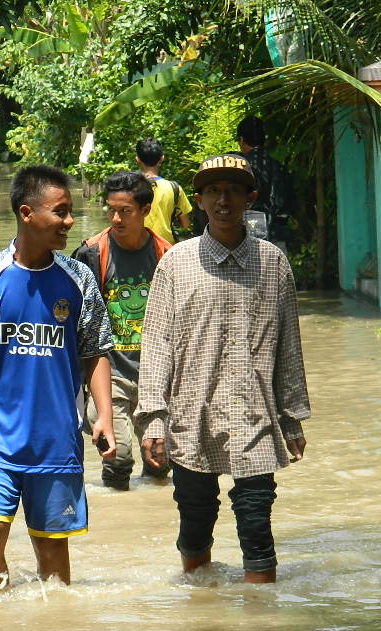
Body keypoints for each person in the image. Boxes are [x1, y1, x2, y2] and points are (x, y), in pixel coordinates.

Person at [0, 164, 116, 588]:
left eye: (70, 212)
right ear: (26, 213)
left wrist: (104, 416)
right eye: (61, 211)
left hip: (56, 440)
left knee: (52, 554)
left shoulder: (78, 279)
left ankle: (51, 629)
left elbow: (95, 352)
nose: (69, 222)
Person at [134, 154, 310, 584]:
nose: (223, 200)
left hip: (256, 413)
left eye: (233, 190)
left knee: (256, 520)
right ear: (198, 200)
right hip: (192, 413)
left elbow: (289, 345)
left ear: (250, 197)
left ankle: (261, 616)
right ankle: (200, 603)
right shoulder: (176, 262)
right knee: (196, 518)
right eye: (213, 191)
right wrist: (153, 419)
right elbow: (156, 345)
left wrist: (291, 418)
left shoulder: (273, 263)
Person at [71, 170, 172, 490]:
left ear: (145, 210)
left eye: (125, 211)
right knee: (119, 457)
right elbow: (74, 319)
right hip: (108, 373)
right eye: (111, 210)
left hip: (156, 376)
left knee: (160, 461)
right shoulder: (91, 253)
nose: (115, 219)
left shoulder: (167, 255)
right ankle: (115, 506)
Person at [236, 116, 292, 249]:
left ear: (242, 140)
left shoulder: (239, 168)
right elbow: (290, 203)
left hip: (247, 234)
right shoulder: (280, 167)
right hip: (278, 235)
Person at [135, 138, 192, 246]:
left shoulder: (130, 187)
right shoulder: (174, 188)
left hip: (137, 247)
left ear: (137, 160)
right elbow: (186, 225)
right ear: (162, 159)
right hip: (166, 248)